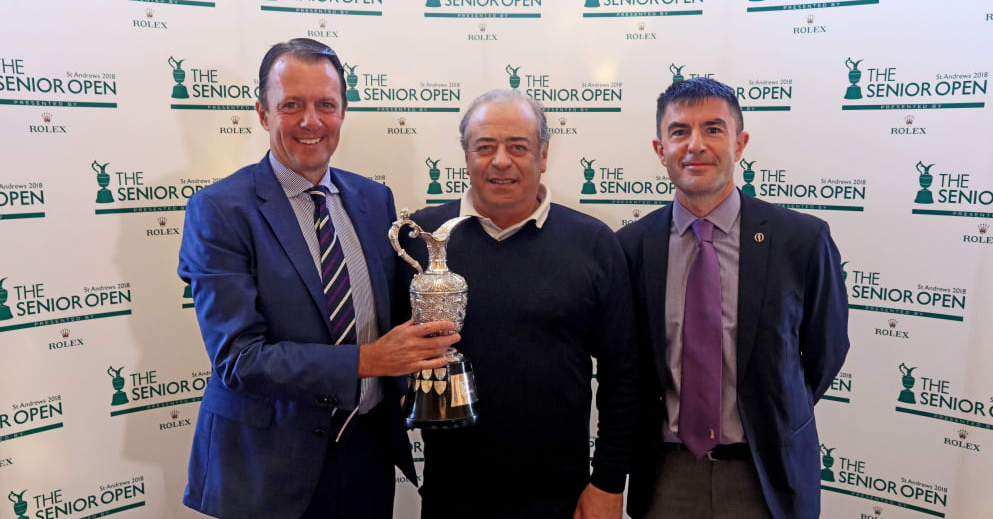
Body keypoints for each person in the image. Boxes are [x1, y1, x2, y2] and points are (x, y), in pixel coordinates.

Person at [178, 38, 458, 519]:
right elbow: (239, 359)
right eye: (292, 105)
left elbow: (388, 318)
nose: (311, 121)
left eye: (325, 104)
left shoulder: (375, 200)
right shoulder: (220, 210)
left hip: (367, 457)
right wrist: (367, 360)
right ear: (264, 114)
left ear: (342, 112)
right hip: (267, 469)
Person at [396, 89, 639, 519]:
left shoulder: (593, 243)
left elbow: (625, 376)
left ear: (543, 155)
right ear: (466, 156)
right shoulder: (425, 237)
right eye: (484, 147)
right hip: (451, 496)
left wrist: (608, 481)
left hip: (561, 498)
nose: (501, 160)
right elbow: (390, 350)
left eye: (518, 147)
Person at [617, 77, 849, 519]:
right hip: (666, 475)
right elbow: (626, 366)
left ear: (740, 143)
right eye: (679, 131)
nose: (695, 145)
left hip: (767, 478)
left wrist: (773, 413)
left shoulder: (801, 240)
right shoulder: (629, 248)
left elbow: (825, 353)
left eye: (713, 129)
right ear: (659, 148)